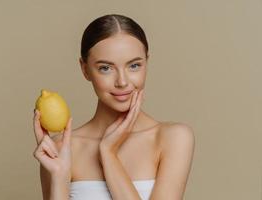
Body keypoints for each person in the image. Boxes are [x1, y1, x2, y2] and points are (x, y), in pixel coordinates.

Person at [33, 14, 195, 200]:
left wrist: (108, 154)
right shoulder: (62, 148)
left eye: (134, 65)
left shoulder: (172, 138)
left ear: (146, 63)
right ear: (84, 69)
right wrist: (59, 177)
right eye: (105, 68)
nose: (122, 82)